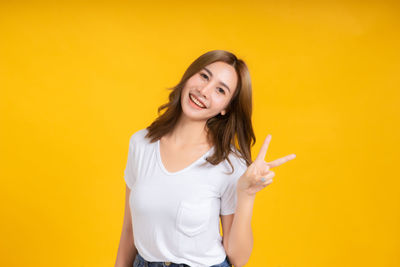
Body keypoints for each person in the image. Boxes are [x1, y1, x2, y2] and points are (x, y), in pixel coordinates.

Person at [115, 50, 296, 267]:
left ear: (225, 108)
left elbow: (239, 258)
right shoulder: (141, 144)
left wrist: (246, 194)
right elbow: (129, 230)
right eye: (204, 76)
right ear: (189, 76)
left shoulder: (229, 164)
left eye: (220, 90)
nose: (204, 91)